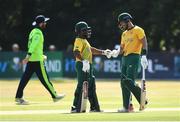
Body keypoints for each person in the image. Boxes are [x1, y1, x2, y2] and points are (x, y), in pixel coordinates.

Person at [15, 15, 65, 105]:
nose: (45, 23)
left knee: (24, 79)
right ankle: (55, 96)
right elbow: (33, 45)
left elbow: (32, 46)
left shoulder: (32, 31)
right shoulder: (38, 33)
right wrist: (28, 56)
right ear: (41, 23)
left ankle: (18, 97)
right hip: (37, 61)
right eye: (44, 22)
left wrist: (40, 55)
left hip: (33, 60)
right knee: (45, 79)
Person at [111, 12, 148, 112]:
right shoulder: (124, 34)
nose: (121, 25)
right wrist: (115, 52)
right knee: (123, 83)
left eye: (122, 23)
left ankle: (142, 98)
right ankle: (127, 106)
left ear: (127, 20)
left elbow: (144, 42)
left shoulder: (138, 30)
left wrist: (144, 55)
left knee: (129, 81)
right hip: (125, 59)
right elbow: (122, 49)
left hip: (134, 57)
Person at [71, 21, 111, 113]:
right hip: (82, 64)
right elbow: (76, 52)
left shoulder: (84, 40)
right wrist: (83, 61)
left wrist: (103, 52)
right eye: (84, 30)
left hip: (87, 64)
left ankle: (94, 107)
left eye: (87, 30)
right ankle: (75, 106)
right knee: (82, 85)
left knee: (91, 85)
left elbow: (91, 50)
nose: (87, 32)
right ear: (79, 32)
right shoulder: (78, 40)